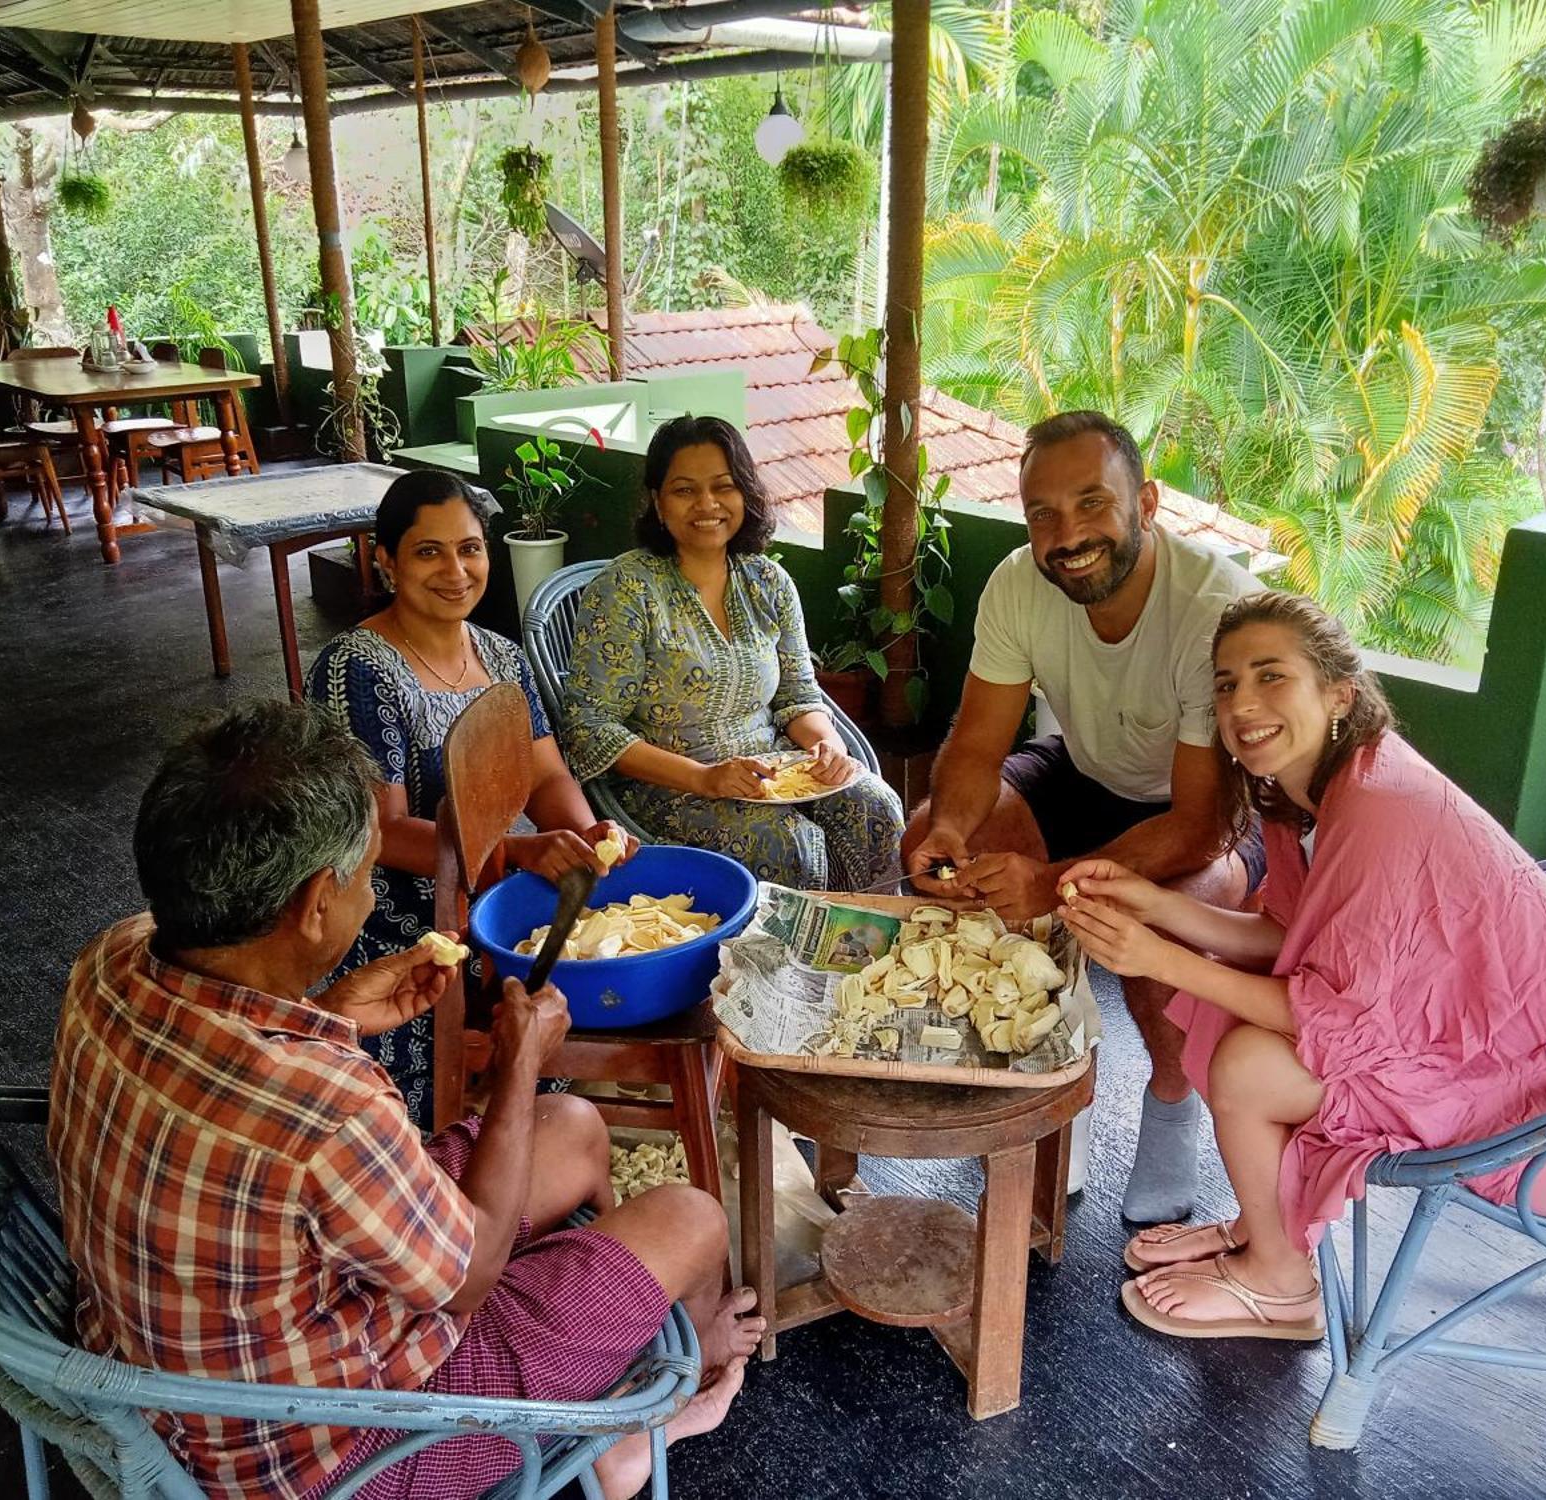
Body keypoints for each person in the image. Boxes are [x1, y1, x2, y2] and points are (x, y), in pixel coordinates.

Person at [47, 701, 762, 1500]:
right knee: (693, 1218)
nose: (368, 887)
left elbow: (240, 1078)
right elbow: (467, 1278)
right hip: (345, 1452)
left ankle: (596, 1356)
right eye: (365, 868)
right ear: (317, 902)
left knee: (575, 1125)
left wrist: (336, 1013)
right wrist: (520, 1064)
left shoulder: (111, 958)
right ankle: (655, 1409)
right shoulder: (327, 1107)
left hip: (179, 1378)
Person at [1058, 592, 1546, 1341]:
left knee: (1248, 1060)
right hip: (1501, 1057)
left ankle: (1281, 1286)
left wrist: (1156, 959)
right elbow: (1288, 936)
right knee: (1225, 1004)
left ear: (1339, 692)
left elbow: (1334, 1016)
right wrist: (1153, 904)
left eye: (1271, 675)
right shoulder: (1303, 794)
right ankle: (1261, 1228)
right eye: (1226, 683)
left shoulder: (1380, 807)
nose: (1243, 702)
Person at [902, 410, 1260, 1223]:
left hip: (1197, 808)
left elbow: (1198, 823)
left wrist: (1052, 882)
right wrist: (954, 830)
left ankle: (1172, 1099)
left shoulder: (1212, 608)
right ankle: (1051, 1074)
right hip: (1086, 770)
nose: (1067, 534)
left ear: (1147, 503)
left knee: (1152, 926)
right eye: (1043, 514)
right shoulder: (1018, 584)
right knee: (928, 832)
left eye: (1092, 503)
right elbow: (975, 748)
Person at [308, 469, 632, 1129]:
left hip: (499, 883)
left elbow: (545, 777)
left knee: (592, 948)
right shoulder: (356, 668)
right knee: (431, 1106)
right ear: (386, 560)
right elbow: (383, 832)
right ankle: (480, 1165)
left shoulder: (504, 657)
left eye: (470, 548)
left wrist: (586, 838)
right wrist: (512, 854)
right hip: (404, 914)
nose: (455, 570)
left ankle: (541, 1135)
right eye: (429, 551)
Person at [560, 414, 904, 890]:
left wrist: (829, 747)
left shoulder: (769, 583)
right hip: (667, 788)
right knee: (788, 844)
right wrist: (705, 778)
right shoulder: (625, 589)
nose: (707, 504)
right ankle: (783, 964)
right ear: (658, 503)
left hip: (774, 768)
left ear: (745, 493)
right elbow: (589, 726)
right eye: (684, 490)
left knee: (874, 807)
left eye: (724, 486)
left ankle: (868, 947)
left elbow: (798, 696)